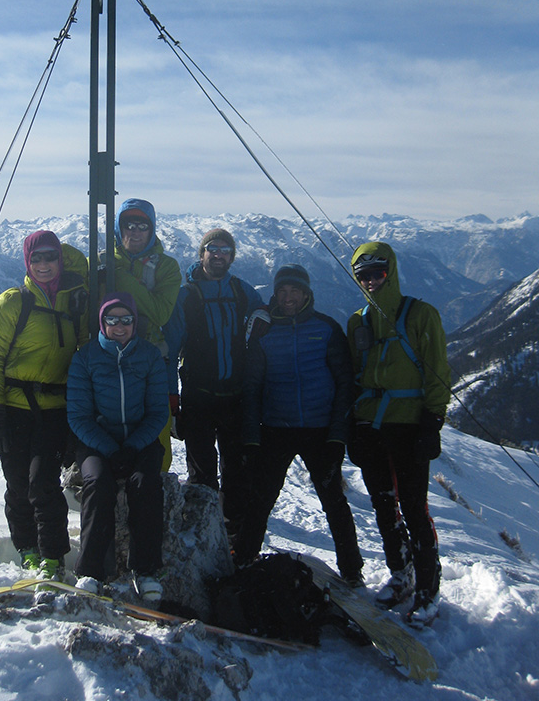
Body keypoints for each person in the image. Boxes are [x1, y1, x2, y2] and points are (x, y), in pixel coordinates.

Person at [233, 264, 364, 586]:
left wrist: (337, 437)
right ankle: (244, 557)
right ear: (275, 294)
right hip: (275, 428)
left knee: (333, 501)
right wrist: (252, 437)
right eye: (282, 291)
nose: (288, 297)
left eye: (294, 291)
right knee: (261, 498)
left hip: (320, 431)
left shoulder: (327, 328)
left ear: (306, 294)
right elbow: (252, 386)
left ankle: (352, 570)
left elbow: (345, 383)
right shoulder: (265, 332)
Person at [347, 241, 450, 627]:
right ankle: (401, 573)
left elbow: (438, 369)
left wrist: (432, 420)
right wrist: (353, 424)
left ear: (391, 272)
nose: (371, 281)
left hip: (409, 425)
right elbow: (355, 374)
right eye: (363, 276)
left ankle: (428, 589)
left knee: (414, 508)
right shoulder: (358, 321)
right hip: (371, 424)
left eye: (378, 273)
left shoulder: (421, 315)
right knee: (383, 505)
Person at [0, 230, 88, 580]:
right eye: (36, 258)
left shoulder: (75, 304)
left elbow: (84, 354)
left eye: (50, 257)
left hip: (55, 410)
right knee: (18, 485)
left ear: (60, 260)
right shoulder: (12, 303)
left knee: (43, 484)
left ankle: (52, 557)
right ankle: (27, 549)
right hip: (14, 409)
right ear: (27, 262)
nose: (43, 264)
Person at [66, 292, 170, 603]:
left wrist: (133, 446)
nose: (120, 326)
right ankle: (91, 571)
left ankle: (146, 569)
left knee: (146, 483)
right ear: (102, 322)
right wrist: (110, 449)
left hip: (141, 440)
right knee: (98, 483)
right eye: (112, 320)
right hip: (96, 443)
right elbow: (79, 416)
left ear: (135, 323)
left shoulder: (149, 356)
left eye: (126, 319)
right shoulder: (86, 358)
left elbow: (158, 412)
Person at [164, 228, 264, 539]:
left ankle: (232, 538)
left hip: (235, 397)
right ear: (202, 253)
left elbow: (264, 317)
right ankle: (202, 535)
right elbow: (170, 349)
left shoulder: (242, 291)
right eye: (212, 248)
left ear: (232, 257)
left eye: (225, 250)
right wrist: (172, 400)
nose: (218, 254)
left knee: (237, 473)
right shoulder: (186, 295)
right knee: (202, 474)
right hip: (198, 397)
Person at [104, 197, 181, 468]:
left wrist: (121, 278)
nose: (135, 232)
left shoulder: (166, 267)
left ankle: (156, 483)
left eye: (142, 225)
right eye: (129, 225)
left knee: (155, 433)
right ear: (118, 227)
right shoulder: (102, 259)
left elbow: (160, 313)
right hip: (108, 362)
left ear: (152, 229)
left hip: (150, 362)